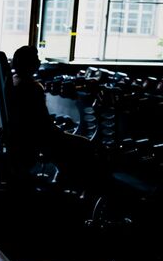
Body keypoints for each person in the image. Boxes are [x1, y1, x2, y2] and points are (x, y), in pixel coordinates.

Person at [6, 45, 98, 188]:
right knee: (86, 144)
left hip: (22, 134)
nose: (38, 61)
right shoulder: (33, 87)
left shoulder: (13, 81)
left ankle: (63, 178)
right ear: (29, 63)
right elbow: (44, 124)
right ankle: (69, 184)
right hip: (36, 138)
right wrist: (61, 133)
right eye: (35, 58)